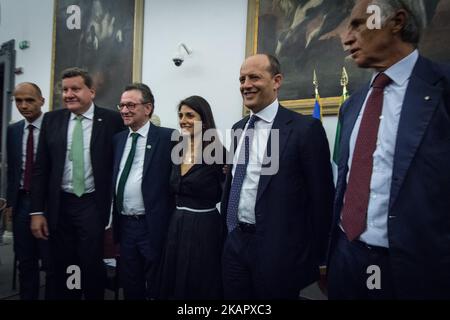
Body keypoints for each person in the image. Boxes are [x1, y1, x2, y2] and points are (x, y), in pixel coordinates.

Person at [327, 0, 450, 299]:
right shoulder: (352, 106)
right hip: (347, 258)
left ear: (397, 22)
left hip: (417, 271)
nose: (346, 38)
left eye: (358, 24)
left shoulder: (443, 89)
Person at [221, 54, 334, 299]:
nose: (245, 85)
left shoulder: (305, 130)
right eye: (242, 79)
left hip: (279, 252)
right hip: (235, 245)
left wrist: (312, 256)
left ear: (276, 81)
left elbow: (322, 199)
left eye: (254, 77)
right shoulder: (238, 129)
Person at [30, 68, 124, 300]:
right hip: (60, 204)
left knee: (91, 262)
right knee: (62, 263)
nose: (68, 94)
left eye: (75, 89)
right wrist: (36, 211)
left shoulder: (112, 120)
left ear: (91, 91)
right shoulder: (52, 120)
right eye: (65, 90)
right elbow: (41, 168)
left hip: (92, 204)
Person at [158, 96, 225, 300]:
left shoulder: (219, 153)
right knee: (174, 278)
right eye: (180, 115)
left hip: (205, 227)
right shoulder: (177, 150)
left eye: (190, 115)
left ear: (204, 120)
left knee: (200, 281)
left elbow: (229, 190)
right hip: (177, 224)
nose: (183, 120)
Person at [112, 83, 174, 300]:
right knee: (131, 283)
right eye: (121, 105)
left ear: (147, 108)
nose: (124, 110)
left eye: (130, 105)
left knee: (158, 284)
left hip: (154, 226)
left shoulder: (168, 138)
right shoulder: (118, 140)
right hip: (126, 225)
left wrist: (224, 165)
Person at [6, 83, 52, 300]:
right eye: (18, 101)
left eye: (29, 100)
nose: (23, 106)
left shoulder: (55, 127)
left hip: (50, 204)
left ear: (42, 101)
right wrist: (9, 201)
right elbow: (14, 169)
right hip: (22, 202)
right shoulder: (13, 130)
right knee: (25, 261)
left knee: (53, 261)